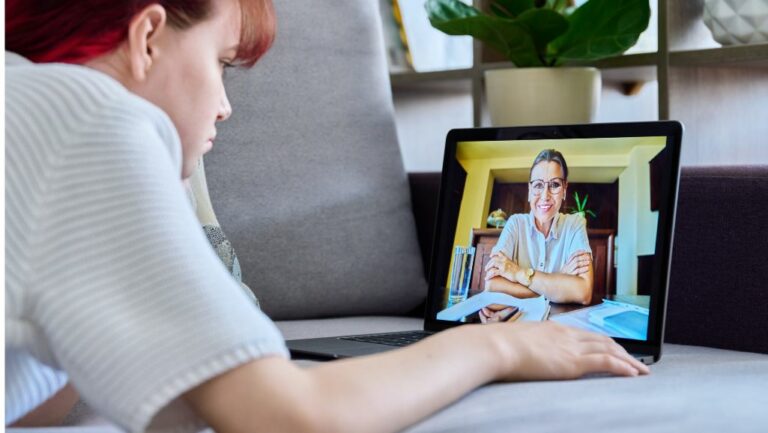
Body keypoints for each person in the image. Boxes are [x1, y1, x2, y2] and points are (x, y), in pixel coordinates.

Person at [5, 1, 649, 432]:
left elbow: (42, 399)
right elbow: (289, 416)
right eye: (222, 63)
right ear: (147, 36)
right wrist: (500, 344)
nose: (225, 107)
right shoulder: (91, 118)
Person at [481, 149, 594, 323]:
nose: (545, 195)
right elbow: (492, 286)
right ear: (529, 189)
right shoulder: (515, 223)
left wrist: (518, 273)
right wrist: (558, 279)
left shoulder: (575, 224)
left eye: (555, 185)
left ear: (564, 189)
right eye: (538, 185)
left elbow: (583, 292)